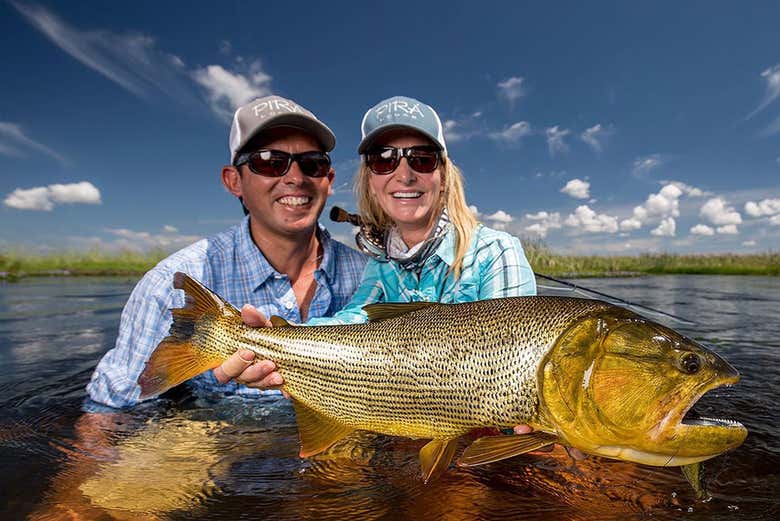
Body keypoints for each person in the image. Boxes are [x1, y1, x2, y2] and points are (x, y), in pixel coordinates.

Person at [86, 95, 367, 409]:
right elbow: (110, 415)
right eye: (270, 162)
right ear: (234, 182)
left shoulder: (371, 275)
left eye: (312, 164)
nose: (295, 178)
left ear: (328, 181)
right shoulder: (169, 285)